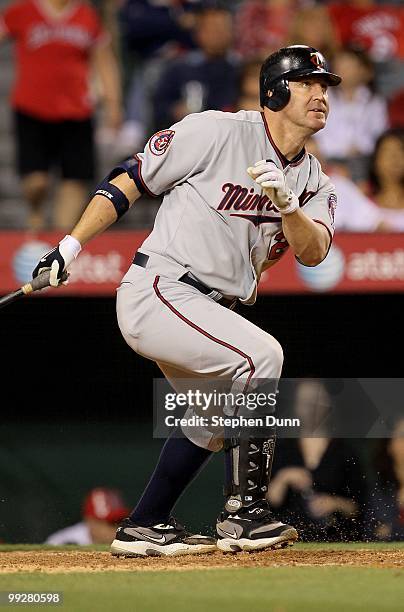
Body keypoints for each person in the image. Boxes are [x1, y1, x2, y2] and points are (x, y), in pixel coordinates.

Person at [31, 44, 341, 557]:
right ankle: (244, 516)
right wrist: (71, 244)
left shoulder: (314, 182)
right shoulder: (214, 131)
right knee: (261, 356)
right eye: (308, 83)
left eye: (324, 86)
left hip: (211, 307)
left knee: (212, 420)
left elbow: (314, 252)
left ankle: (145, 524)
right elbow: (129, 180)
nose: (319, 95)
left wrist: (287, 203)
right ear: (275, 90)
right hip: (162, 288)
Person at [0, 0, 122, 231]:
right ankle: (35, 212)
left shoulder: (86, 16)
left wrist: (113, 104)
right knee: (36, 182)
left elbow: (104, 60)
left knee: (74, 182)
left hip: (76, 112)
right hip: (31, 109)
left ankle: (58, 242)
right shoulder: (23, 11)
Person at [268, 380, 365, 542]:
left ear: (328, 405)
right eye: (305, 401)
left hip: (336, 541)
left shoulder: (345, 452)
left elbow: (360, 506)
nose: (311, 407)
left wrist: (335, 503)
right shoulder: (280, 449)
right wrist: (283, 478)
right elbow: (268, 501)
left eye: (316, 400)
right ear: (296, 407)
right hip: (286, 541)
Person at [45, 487, 130, 545]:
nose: (116, 529)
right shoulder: (61, 543)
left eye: (119, 521)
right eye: (110, 523)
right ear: (90, 521)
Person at [367, 417, 404, 541]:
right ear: (389, 445)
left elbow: (385, 530)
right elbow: (372, 532)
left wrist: (391, 530)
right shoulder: (379, 490)